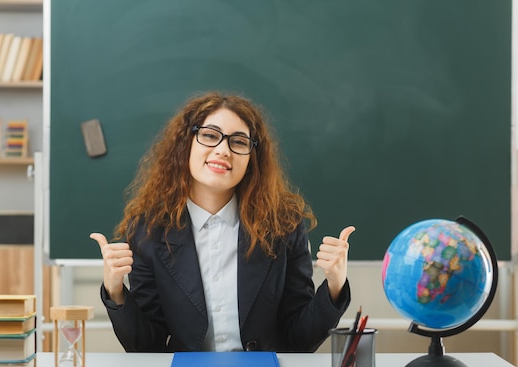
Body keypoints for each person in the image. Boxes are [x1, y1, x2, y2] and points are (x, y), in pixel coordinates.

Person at [90, 91, 355, 353]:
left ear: (252, 158)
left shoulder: (283, 226)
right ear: (186, 144)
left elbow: (300, 339)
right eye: (209, 135)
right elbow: (148, 346)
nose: (222, 150)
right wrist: (115, 291)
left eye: (239, 142)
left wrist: (334, 285)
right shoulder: (148, 231)